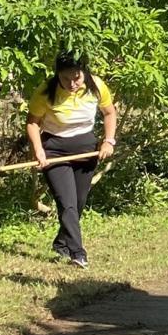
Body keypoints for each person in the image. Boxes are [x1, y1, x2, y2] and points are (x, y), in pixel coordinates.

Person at [26, 52, 118, 269]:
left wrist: (109, 141)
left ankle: (61, 243)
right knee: (67, 204)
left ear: (84, 72)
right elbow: (32, 122)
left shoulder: (96, 86)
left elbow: (109, 113)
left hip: (86, 151)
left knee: (78, 203)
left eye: (76, 78)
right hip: (55, 151)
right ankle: (78, 253)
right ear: (57, 74)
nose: (71, 83)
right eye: (65, 78)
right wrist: (38, 150)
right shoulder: (45, 92)